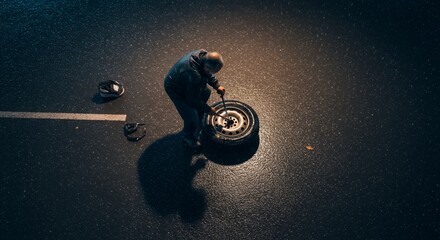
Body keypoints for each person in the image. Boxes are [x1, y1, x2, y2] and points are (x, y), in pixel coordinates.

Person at [164, 49, 226, 149]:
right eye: (212, 71)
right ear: (206, 67)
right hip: (175, 88)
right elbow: (193, 99)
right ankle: (188, 138)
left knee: (206, 92)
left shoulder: (203, 55)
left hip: (186, 80)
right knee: (191, 117)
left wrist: (216, 85)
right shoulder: (194, 75)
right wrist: (208, 109)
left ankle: (199, 114)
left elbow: (207, 73)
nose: (212, 73)